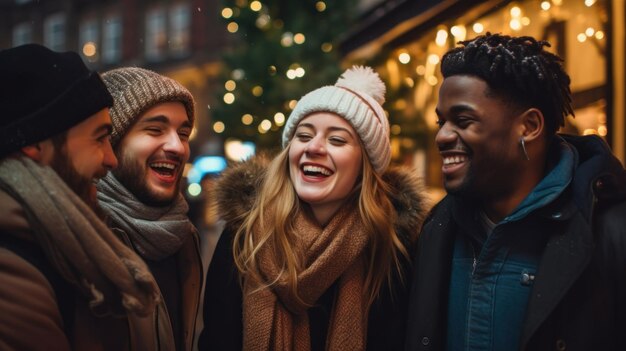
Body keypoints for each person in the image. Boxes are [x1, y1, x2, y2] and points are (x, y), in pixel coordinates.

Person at [405, 33, 626, 351]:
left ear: (529, 126)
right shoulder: (438, 227)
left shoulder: (608, 231)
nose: (441, 136)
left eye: (463, 120)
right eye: (442, 122)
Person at [199, 66, 428, 350]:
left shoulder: (392, 250)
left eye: (337, 140)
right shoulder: (243, 237)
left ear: (364, 167)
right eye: (304, 136)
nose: (314, 148)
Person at [0, 44, 159, 350]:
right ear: (35, 145)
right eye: (99, 138)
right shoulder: (13, 275)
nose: (111, 160)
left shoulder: (52, 243)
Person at [98, 67, 203, 351]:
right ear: (111, 143)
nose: (178, 147)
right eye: (155, 130)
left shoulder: (183, 238)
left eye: (183, 133)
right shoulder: (82, 238)